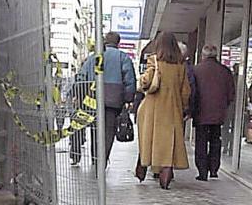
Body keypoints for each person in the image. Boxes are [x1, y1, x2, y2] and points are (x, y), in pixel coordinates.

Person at [135, 32, 191, 189]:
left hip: (152, 107)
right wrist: (183, 107)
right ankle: (165, 177)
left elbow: (146, 81)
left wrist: (141, 81)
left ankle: (142, 166)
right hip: (172, 108)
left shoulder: (154, 61)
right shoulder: (181, 66)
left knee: (148, 139)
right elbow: (186, 91)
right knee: (168, 143)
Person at [75, 32, 137, 166]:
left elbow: (81, 77)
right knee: (109, 132)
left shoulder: (93, 57)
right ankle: (102, 160)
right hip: (113, 101)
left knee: (95, 130)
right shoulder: (123, 58)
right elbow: (130, 80)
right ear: (118, 43)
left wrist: (80, 96)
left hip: (93, 99)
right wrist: (128, 99)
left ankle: (95, 158)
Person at [192, 44, 235, 181]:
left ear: (203, 55)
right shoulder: (225, 71)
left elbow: (192, 92)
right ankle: (214, 169)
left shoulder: (196, 70)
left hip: (201, 112)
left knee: (201, 141)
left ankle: (202, 171)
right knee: (216, 140)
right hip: (218, 114)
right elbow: (231, 94)